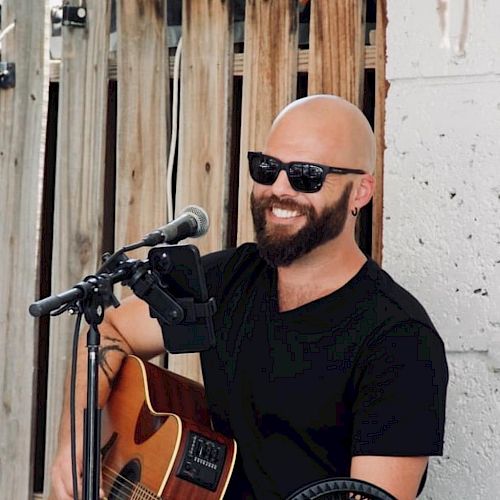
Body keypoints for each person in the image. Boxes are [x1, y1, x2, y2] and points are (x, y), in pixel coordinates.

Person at [51, 95, 448, 500]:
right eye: (266, 168)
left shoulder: (399, 341)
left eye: (305, 175)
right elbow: (112, 328)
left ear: (361, 191)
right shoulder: (226, 281)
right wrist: (76, 441)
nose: (278, 188)